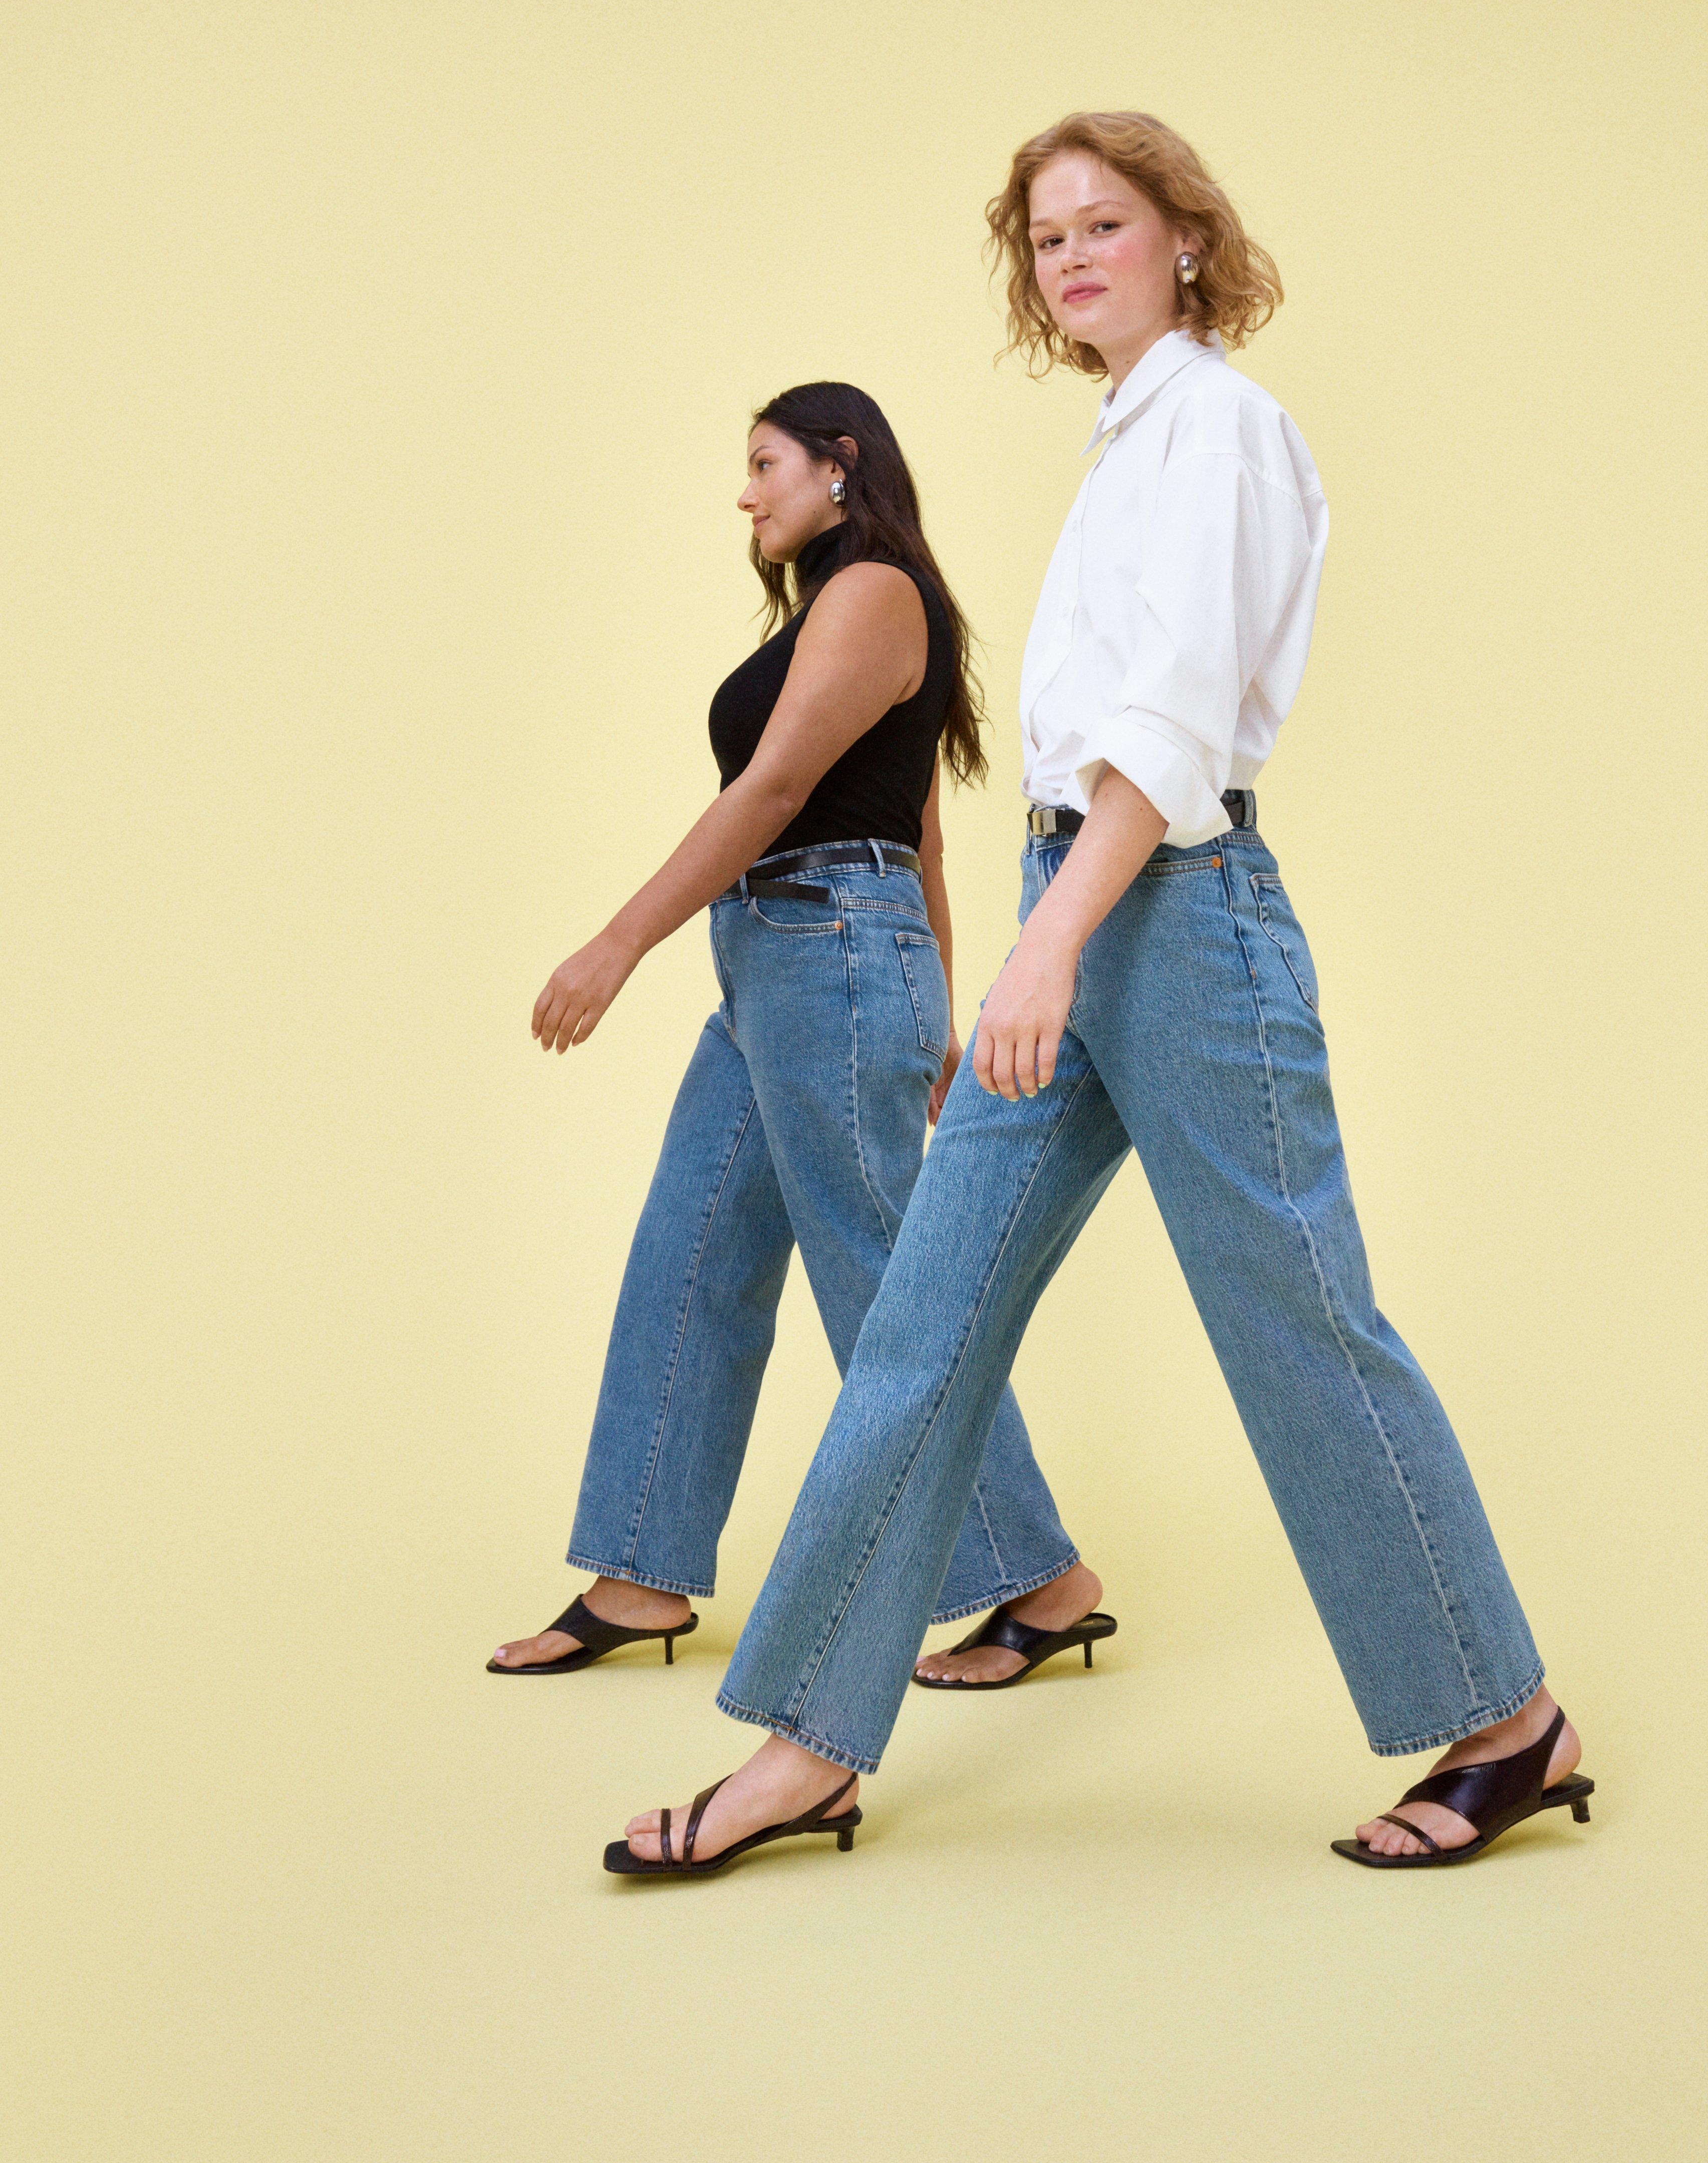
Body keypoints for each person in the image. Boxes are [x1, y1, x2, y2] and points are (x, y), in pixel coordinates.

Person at [606, 119, 1590, 1883]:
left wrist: (1049, 944)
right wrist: (1039, 927)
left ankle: (1507, 1724)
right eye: (1045, 238)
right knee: (921, 1328)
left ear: (1185, 242)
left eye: (1104, 225)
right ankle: (805, 1748)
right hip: (1076, 907)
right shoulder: (1127, 436)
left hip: (1177, 924)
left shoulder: (1216, 432)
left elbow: (1173, 720)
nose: (1070, 258)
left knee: (1298, 1325)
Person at [492, 382, 1105, 1687]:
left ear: (840, 465)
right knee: (691, 1249)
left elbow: (774, 791)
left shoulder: (875, 590)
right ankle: (642, 1575)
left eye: (764, 463)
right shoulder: (851, 602)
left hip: (825, 951)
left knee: (884, 1285)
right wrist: (935, 1007)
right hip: (794, 960)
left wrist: (617, 943)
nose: (746, 491)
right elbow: (925, 832)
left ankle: (1037, 1581)